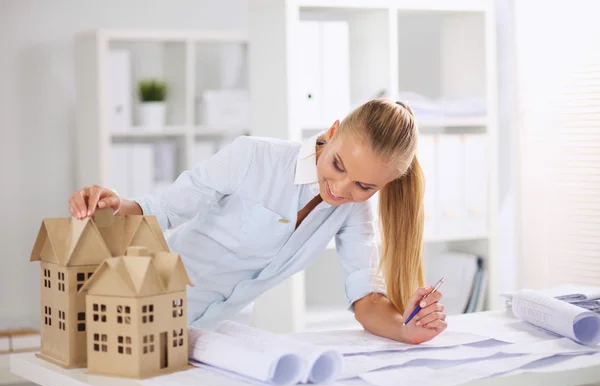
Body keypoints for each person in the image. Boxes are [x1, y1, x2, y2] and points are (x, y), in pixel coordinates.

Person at [68, 98, 446, 344]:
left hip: (213, 341)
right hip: (144, 311)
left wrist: (403, 327)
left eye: (364, 185)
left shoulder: (353, 212)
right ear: (331, 133)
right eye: (337, 165)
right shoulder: (254, 157)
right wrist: (115, 204)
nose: (341, 190)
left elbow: (365, 298)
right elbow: (164, 208)